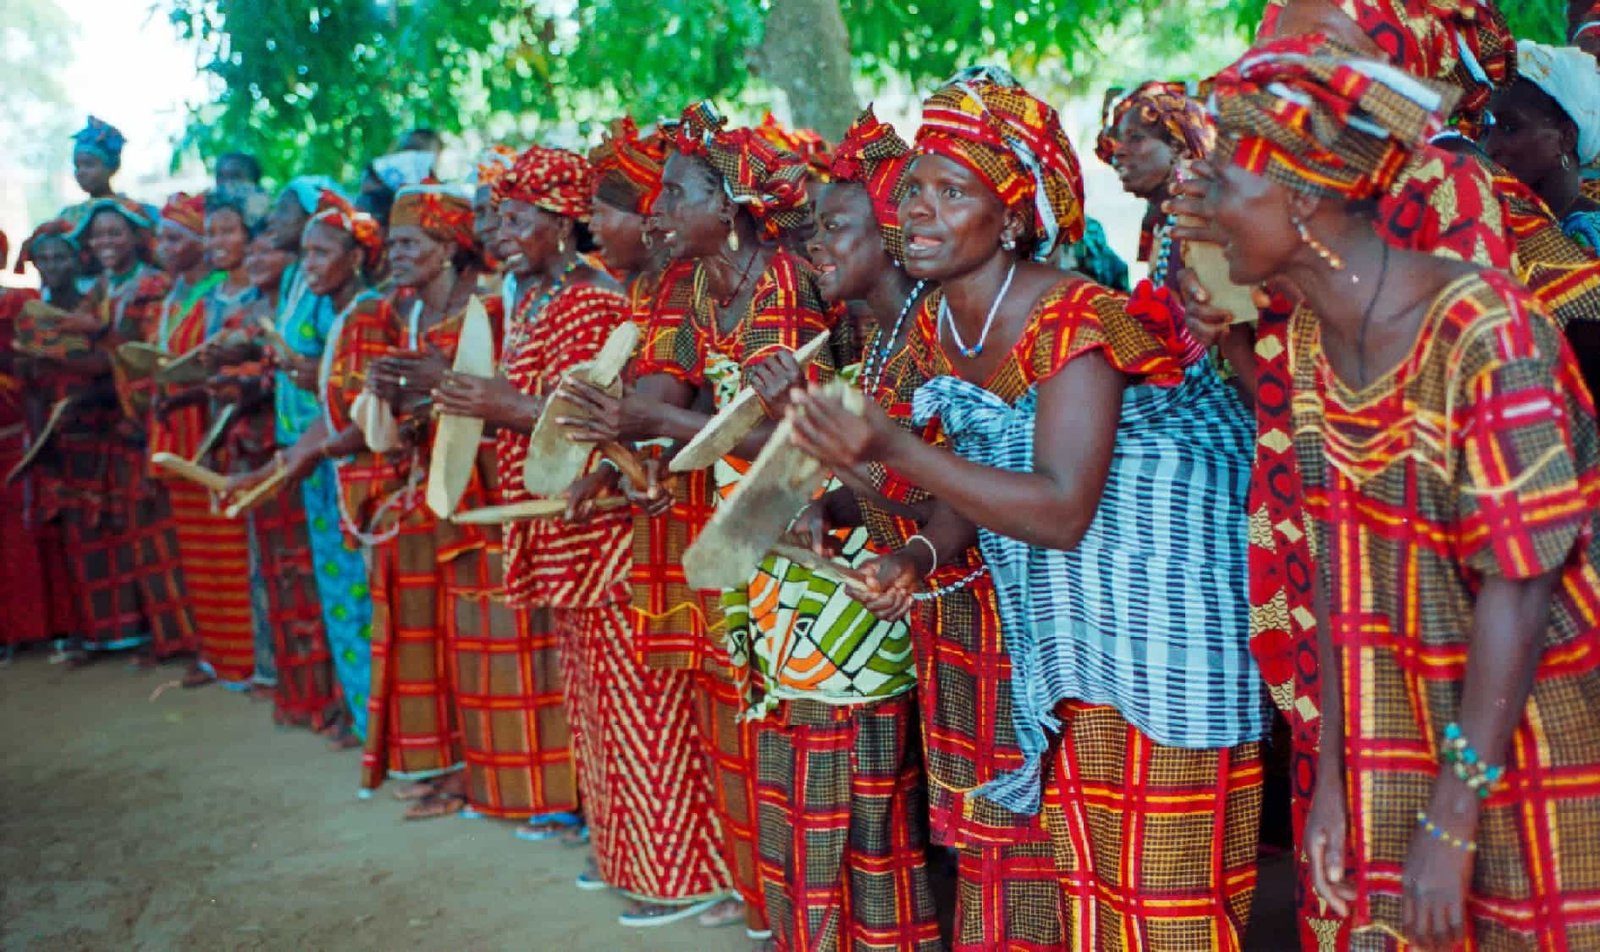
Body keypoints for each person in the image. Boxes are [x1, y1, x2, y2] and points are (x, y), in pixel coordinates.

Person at [788, 68, 1268, 950]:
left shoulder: (1074, 319)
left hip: (1166, 634)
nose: (917, 213)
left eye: (952, 192)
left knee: (1163, 904)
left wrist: (887, 448)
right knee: (1091, 889)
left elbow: (1059, 509)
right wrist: (919, 558)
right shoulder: (939, 321)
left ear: (1013, 219)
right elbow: (978, 482)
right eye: (915, 190)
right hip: (1076, 644)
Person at [1208, 37, 1600, 951]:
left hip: (1538, 730)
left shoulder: (1485, 332)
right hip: (1401, 731)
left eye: (1228, 184)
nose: (1207, 212)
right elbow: (1340, 570)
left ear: (1303, 196)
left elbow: (1521, 583)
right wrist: (1337, 780)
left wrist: (1455, 811)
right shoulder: (1308, 343)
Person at [433, 143, 729, 928]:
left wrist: (498, 406)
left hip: (603, 537)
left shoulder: (593, 302)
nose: (501, 228)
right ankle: (626, 854)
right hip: (563, 531)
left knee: (641, 705)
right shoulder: (532, 298)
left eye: (520, 215)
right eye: (498, 214)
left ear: (561, 224)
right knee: (597, 705)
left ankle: (681, 872)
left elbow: (585, 421)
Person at [794, 105, 1064, 950]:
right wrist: (847, 506)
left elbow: (969, 493)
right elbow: (919, 499)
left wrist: (858, 467)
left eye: (836, 225)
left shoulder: (1018, 324)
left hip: (1008, 616)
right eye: (912, 192)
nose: (917, 211)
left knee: (1019, 834)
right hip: (946, 604)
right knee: (978, 830)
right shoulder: (904, 335)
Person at [361, 183, 581, 827]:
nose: (395, 254)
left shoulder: (491, 308)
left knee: (513, 646)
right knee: (466, 650)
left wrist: (436, 389)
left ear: (448, 249)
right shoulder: (411, 316)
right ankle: (477, 782)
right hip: (445, 494)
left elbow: (511, 397)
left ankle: (543, 800)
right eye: (395, 242)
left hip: (497, 493)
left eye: (410, 243)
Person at [203, 187, 339, 728]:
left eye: (281, 219)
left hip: (326, 454)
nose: (268, 235)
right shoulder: (291, 290)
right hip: (296, 449)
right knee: (293, 580)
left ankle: (338, 705)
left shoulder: (328, 293)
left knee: (321, 580)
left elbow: (334, 381)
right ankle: (307, 695)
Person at [251, 188, 376, 747]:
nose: (309, 265)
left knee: (363, 596)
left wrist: (299, 453)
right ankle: (364, 718)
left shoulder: (367, 314)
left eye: (322, 253)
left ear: (355, 256)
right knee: (340, 594)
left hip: (355, 471)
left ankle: (380, 729)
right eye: (306, 254)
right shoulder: (334, 304)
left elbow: (352, 409)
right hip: (323, 461)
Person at [55, 199, 195, 663]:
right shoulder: (99, 290)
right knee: (140, 532)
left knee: (162, 532)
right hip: (118, 426)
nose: (105, 242)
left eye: (115, 233)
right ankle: (164, 635)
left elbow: (147, 355)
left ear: (138, 237)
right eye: (97, 236)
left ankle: (184, 639)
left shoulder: (154, 286)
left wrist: (98, 335)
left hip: (153, 419)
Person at [146, 192, 256, 689]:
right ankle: (217, 653)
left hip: (220, 429)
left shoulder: (228, 293)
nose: (168, 247)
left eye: (179, 237)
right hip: (182, 431)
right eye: (163, 238)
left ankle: (248, 659)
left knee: (231, 547)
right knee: (199, 552)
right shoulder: (179, 296)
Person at [1097, 81, 1215, 290]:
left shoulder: (1200, 218)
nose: (1118, 151)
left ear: (1178, 147)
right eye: (1119, 141)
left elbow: (1229, 319)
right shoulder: (1164, 223)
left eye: (1136, 138)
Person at [1486, 41, 1600, 251]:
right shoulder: (1491, 218)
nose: (1489, 148)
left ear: (1566, 138)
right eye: (1487, 129)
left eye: (1510, 128)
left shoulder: (1588, 238)